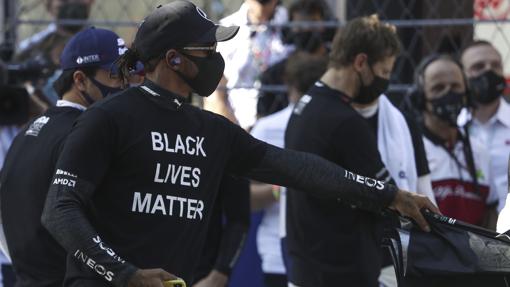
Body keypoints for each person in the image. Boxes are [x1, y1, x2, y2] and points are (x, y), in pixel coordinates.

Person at [40, 2, 436, 287]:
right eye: (208, 50)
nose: (217, 59)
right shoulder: (109, 117)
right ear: (174, 59)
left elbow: (296, 168)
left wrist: (388, 195)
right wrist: (125, 275)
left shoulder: (211, 130)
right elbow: (59, 209)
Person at [284, 14, 418, 287]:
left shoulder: (305, 107)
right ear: (360, 62)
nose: (385, 83)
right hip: (342, 272)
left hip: (307, 268)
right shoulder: (345, 122)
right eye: (384, 72)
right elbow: (390, 199)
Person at [0, 27, 125, 287]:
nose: (125, 83)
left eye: (129, 72)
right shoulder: (86, 133)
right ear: (80, 80)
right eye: (115, 74)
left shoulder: (28, 131)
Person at [250, 52, 327, 287]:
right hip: (282, 253)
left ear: (289, 84)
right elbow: (246, 197)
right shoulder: (268, 128)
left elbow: (247, 198)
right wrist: (285, 186)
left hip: (321, 252)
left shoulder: (335, 124)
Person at [412, 54, 498, 228]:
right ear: (421, 97)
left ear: (466, 93)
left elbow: (490, 212)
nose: (448, 93)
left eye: (455, 86)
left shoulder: (479, 151)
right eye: (438, 87)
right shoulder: (409, 149)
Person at [205, 0, 290, 128]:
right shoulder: (226, 29)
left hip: (282, 128)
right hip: (238, 128)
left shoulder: (293, 26)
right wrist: (238, 137)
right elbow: (214, 96)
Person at [458, 41, 510, 231]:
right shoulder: (452, 129)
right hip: (465, 234)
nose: (489, 72)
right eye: (478, 67)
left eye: (496, 66)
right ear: (462, 76)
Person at [257, 0, 333, 118]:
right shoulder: (275, 75)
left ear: (325, 24)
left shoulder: (337, 68)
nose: (306, 29)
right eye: (299, 25)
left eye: (312, 22)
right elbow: (262, 118)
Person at [192, 177, 250, 287]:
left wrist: (218, 275)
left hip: (202, 276)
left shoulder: (225, 160)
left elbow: (239, 219)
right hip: (154, 272)